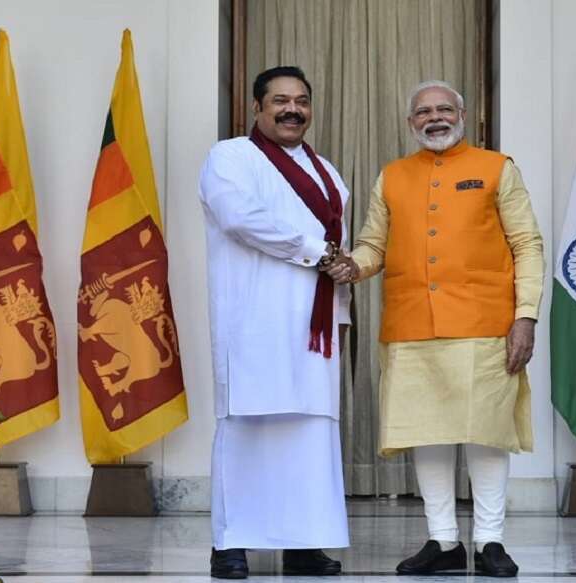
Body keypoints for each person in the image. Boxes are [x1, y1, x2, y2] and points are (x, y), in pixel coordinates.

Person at [326, 80, 544, 578]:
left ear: (462, 115)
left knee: (486, 433)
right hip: (410, 326)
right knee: (427, 433)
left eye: (445, 109)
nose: (435, 118)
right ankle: (443, 541)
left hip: (485, 324)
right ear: (411, 123)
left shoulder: (497, 168)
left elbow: (527, 244)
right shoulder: (392, 176)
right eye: (424, 112)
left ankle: (490, 541)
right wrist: (352, 266)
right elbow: (373, 245)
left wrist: (526, 315)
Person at [199, 66, 351, 579]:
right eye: (280, 100)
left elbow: (338, 252)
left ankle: (304, 543)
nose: (292, 110)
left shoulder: (329, 172)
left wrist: (341, 316)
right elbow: (241, 219)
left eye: (301, 101)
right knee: (247, 427)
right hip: (252, 320)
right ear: (257, 108)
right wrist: (314, 251)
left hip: (314, 330)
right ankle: (231, 544)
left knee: (310, 433)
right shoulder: (230, 157)